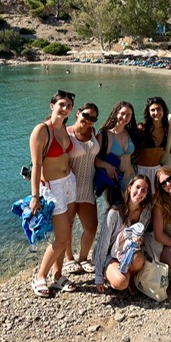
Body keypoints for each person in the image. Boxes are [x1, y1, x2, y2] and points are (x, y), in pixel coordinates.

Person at [29, 90, 78, 297]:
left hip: (69, 182)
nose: (65, 109)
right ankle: (40, 276)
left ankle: (57, 276)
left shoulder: (65, 128)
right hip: (52, 187)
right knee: (62, 238)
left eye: (69, 106)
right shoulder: (42, 130)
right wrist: (35, 196)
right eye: (61, 105)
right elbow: (36, 165)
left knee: (66, 233)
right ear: (52, 106)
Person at [94, 175, 152, 293]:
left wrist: (139, 240)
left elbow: (142, 235)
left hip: (128, 253)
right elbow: (102, 245)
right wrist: (98, 276)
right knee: (121, 282)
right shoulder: (114, 212)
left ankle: (130, 277)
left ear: (146, 194)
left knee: (138, 259)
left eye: (144, 190)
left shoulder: (146, 213)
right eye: (137, 187)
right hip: (109, 256)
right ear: (130, 188)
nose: (139, 192)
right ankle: (113, 275)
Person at [64, 102, 100, 274]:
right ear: (78, 113)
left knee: (91, 227)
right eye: (86, 115)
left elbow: (96, 158)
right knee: (67, 226)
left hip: (87, 187)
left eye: (93, 118)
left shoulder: (94, 132)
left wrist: (106, 166)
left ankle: (83, 258)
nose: (88, 120)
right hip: (69, 188)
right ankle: (69, 259)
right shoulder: (66, 133)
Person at [96, 101, 139, 194]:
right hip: (114, 182)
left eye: (128, 115)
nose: (125, 117)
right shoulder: (104, 135)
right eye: (122, 113)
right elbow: (94, 159)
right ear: (116, 113)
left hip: (133, 178)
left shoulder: (131, 133)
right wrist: (106, 166)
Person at [137, 96, 171, 191]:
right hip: (141, 170)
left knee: (157, 199)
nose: (156, 113)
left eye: (158, 109)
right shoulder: (142, 129)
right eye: (152, 110)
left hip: (158, 170)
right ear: (148, 112)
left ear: (163, 110)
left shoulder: (167, 129)